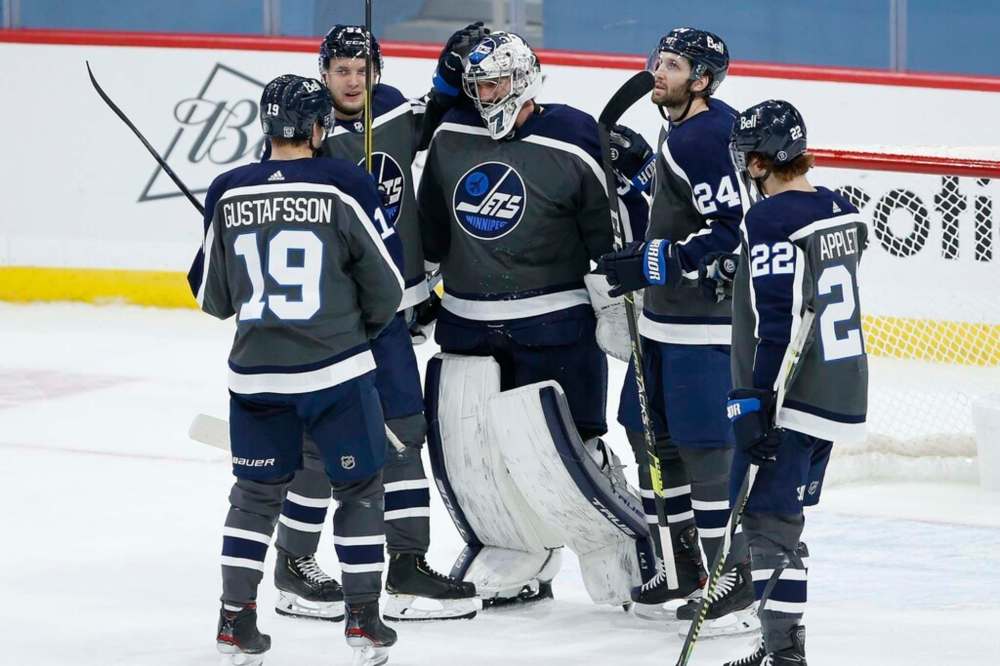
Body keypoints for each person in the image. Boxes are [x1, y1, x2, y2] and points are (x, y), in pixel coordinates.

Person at [417, 31, 653, 606]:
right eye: (476, 86)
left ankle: (621, 546)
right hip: (467, 322)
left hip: (554, 323)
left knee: (569, 449)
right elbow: (430, 229)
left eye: (495, 83)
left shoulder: (575, 138)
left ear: (522, 81)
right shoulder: (451, 134)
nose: (484, 95)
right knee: (478, 454)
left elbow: (611, 242)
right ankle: (515, 553)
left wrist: (622, 300)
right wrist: (413, 293)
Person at [268, 23, 479, 624]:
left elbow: (439, 111)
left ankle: (407, 564)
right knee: (318, 442)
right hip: (335, 317)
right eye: (341, 70)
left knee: (404, 431)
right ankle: (293, 562)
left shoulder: (390, 109)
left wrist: (449, 69)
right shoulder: (306, 132)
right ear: (323, 73)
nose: (352, 80)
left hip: (390, 313)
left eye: (362, 69)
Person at [189, 74, 401, 666]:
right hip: (335, 371)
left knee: (254, 497)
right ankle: (363, 620)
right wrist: (358, 329)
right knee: (359, 488)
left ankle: (235, 622)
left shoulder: (227, 190)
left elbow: (212, 297)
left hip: (256, 377)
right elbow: (387, 283)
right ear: (316, 127)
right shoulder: (345, 183)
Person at [596, 27, 756, 628]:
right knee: (645, 433)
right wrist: (641, 174)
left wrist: (650, 262)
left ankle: (730, 576)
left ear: (702, 80)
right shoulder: (682, 130)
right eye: (658, 61)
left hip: (703, 328)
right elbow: (685, 207)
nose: (657, 72)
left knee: (705, 448)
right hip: (663, 322)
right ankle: (681, 564)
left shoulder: (707, 136)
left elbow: (732, 231)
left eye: (673, 65)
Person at [723, 99, 868, 665]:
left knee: (768, 519)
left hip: (791, 396)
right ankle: (776, 642)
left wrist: (754, 399)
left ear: (761, 161)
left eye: (746, 155)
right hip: (839, 387)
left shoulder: (767, 220)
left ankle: (784, 654)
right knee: (781, 516)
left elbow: (776, 320)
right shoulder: (841, 208)